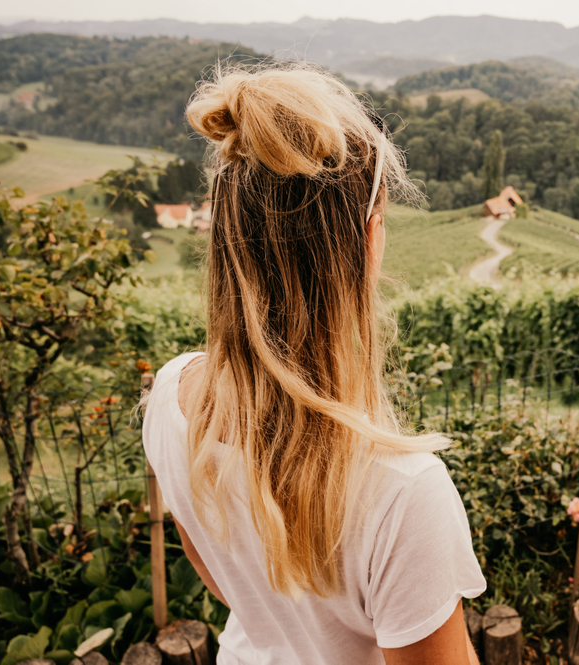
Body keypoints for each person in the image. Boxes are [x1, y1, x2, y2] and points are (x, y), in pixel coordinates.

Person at [142, 63, 486, 665]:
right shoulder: (403, 492)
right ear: (365, 239)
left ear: (227, 237)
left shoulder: (172, 395)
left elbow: (222, 580)